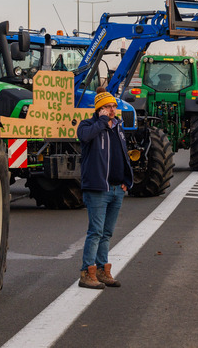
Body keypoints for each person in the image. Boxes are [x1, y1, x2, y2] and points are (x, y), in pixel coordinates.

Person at [76, 88, 133, 289]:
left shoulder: (118, 128)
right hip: (98, 188)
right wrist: (100, 122)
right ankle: (86, 273)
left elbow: (122, 154)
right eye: (108, 107)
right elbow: (84, 137)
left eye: (113, 106)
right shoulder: (88, 125)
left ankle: (102, 271)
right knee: (95, 232)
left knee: (107, 233)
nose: (112, 110)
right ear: (99, 109)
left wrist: (127, 179)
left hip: (117, 189)